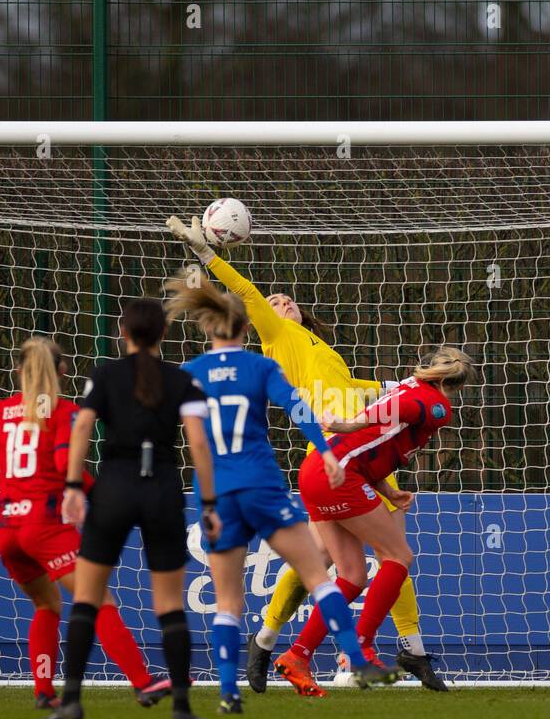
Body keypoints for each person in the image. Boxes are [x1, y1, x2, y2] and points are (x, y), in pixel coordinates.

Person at [167, 215, 442, 694]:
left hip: (356, 447)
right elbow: (248, 295)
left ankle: (274, 642)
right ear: (261, 322)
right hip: (337, 450)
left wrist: (402, 384)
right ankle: (391, 647)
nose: (282, 301)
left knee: (336, 557)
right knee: (388, 553)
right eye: (274, 302)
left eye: (286, 298)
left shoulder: (320, 349)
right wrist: (209, 258)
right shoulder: (278, 338)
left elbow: (354, 388)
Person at [0, 337, 170, 709]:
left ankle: (44, 692)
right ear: (62, 371)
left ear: (18, 372)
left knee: (47, 604)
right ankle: (142, 682)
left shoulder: (2, 410)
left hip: (7, 530)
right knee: (97, 599)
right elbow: (64, 467)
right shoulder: (63, 412)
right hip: (44, 525)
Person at [41, 299, 220, 719]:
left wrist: (71, 487)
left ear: (123, 333)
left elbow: (82, 427)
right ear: (162, 334)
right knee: (170, 605)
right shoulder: (182, 380)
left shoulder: (104, 375)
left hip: (114, 488)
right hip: (161, 489)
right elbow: (198, 445)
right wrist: (209, 503)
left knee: (86, 598)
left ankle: (70, 702)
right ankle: (181, 708)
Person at [287, 347, 476, 685]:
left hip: (319, 470)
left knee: (352, 575)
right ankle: (359, 648)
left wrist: (389, 492)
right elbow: (389, 412)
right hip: (340, 474)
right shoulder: (436, 405)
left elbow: (373, 444)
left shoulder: (406, 387)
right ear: (455, 383)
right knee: (399, 556)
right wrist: (344, 423)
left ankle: (298, 655)